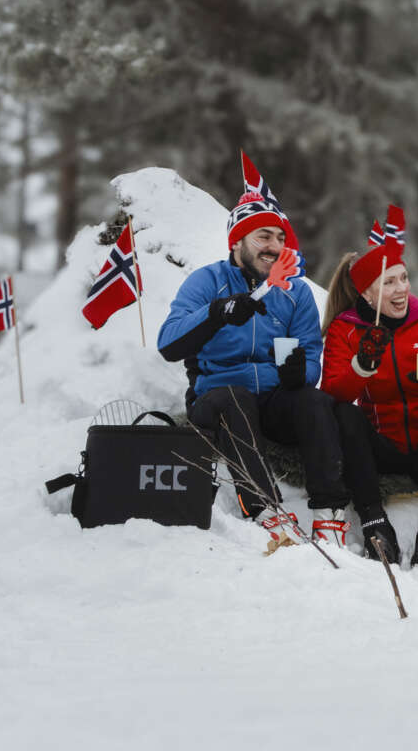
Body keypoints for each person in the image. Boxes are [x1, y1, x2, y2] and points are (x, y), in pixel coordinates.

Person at [157, 155, 350, 551]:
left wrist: (301, 373)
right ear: (238, 241)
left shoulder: (294, 292)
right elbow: (168, 343)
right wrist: (217, 313)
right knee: (235, 396)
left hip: (273, 402)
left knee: (314, 401)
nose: (274, 246)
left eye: (280, 238)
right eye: (263, 237)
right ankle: (265, 509)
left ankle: (330, 514)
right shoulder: (207, 280)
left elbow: (311, 354)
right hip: (217, 398)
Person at [320, 225, 418, 565]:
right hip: (381, 449)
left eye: (403, 278)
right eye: (388, 282)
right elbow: (331, 395)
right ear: (366, 294)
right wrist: (362, 365)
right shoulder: (345, 329)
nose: (401, 288)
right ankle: (374, 522)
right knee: (346, 415)